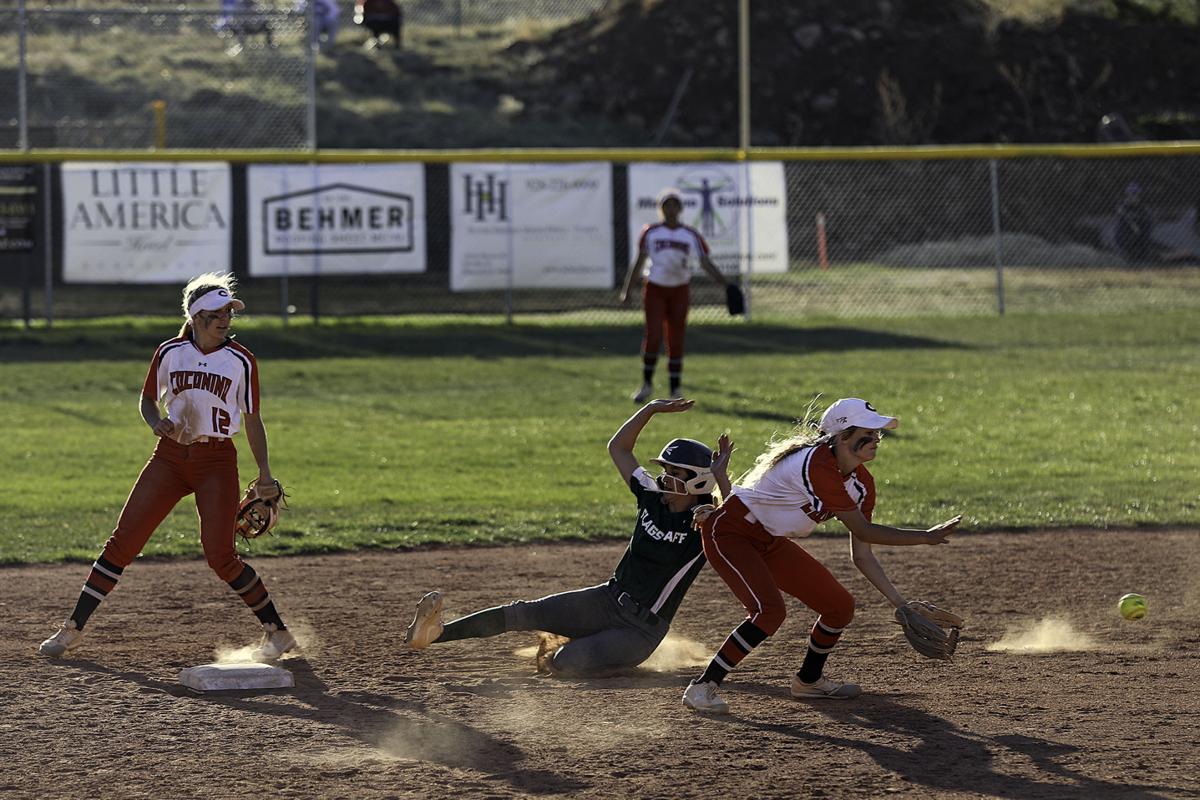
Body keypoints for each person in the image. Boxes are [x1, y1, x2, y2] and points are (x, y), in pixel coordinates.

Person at [38, 273, 296, 662]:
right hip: (170, 458)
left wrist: (264, 475)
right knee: (122, 543)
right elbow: (147, 401)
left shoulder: (241, 360)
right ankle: (72, 630)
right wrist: (154, 421)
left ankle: (277, 633)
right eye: (216, 313)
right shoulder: (169, 352)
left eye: (229, 312)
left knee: (221, 556)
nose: (226, 319)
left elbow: (253, 419)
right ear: (195, 317)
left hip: (217, 461)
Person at [404, 398, 733, 676]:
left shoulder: (706, 522)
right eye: (666, 469)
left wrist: (723, 483)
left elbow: (737, 521)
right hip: (605, 599)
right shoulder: (651, 495)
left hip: (639, 631)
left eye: (675, 472)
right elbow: (618, 448)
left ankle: (597, 652)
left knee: (563, 664)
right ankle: (436, 634)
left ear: (699, 481)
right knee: (524, 611)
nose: (665, 476)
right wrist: (650, 410)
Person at [682, 397, 961, 713]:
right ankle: (703, 687)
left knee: (839, 606)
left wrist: (899, 603)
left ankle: (809, 681)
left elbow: (862, 554)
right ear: (842, 437)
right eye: (867, 433)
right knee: (769, 612)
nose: (876, 440)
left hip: (769, 540)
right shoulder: (816, 463)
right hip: (730, 532)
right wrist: (925, 537)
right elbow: (867, 532)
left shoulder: (862, 485)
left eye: (878, 433)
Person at [620, 188, 731, 404]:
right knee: (653, 336)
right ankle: (646, 384)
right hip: (655, 288)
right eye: (666, 205)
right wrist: (627, 289)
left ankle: (675, 389)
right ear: (660, 209)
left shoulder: (689, 234)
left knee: (676, 338)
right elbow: (639, 261)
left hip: (679, 289)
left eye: (674, 205)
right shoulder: (651, 232)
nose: (670, 209)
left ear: (680, 209)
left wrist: (725, 284)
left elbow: (705, 262)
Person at [1115, 181, 1156, 263]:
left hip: (1140, 232)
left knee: (1146, 228)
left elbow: (1147, 219)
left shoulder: (1142, 206)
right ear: (1127, 194)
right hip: (1127, 233)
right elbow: (1122, 215)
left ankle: (1144, 254)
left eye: (1135, 193)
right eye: (1131, 193)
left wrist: (1140, 226)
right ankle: (1127, 254)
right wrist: (1133, 224)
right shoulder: (1123, 205)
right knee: (1123, 232)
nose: (1133, 196)